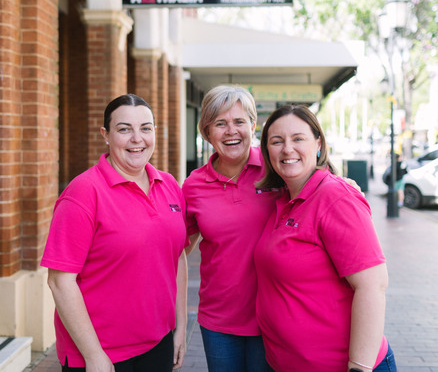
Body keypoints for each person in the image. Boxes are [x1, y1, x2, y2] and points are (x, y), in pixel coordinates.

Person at [41, 94, 188, 372]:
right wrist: (94, 355)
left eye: (145, 128)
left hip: (158, 344)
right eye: (124, 129)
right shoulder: (83, 192)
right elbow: (61, 281)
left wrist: (179, 327)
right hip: (101, 352)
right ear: (106, 135)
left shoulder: (168, 185)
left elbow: (177, 255)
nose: (137, 138)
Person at [255, 104, 397, 372]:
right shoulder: (283, 199)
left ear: (318, 144)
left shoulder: (335, 196)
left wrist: (359, 367)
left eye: (298, 139)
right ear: (267, 151)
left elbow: (373, 286)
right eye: (277, 141)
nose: (287, 149)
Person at [182, 85, 278, 372]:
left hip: (274, 317)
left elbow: (317, 186)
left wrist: (345, 185)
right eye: (220, 123)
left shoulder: (277, 169)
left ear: (253, 125)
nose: (231, 131)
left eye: (239, 122)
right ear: (207, 132)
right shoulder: (193, 186)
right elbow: (176, 250)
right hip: (219, 322)